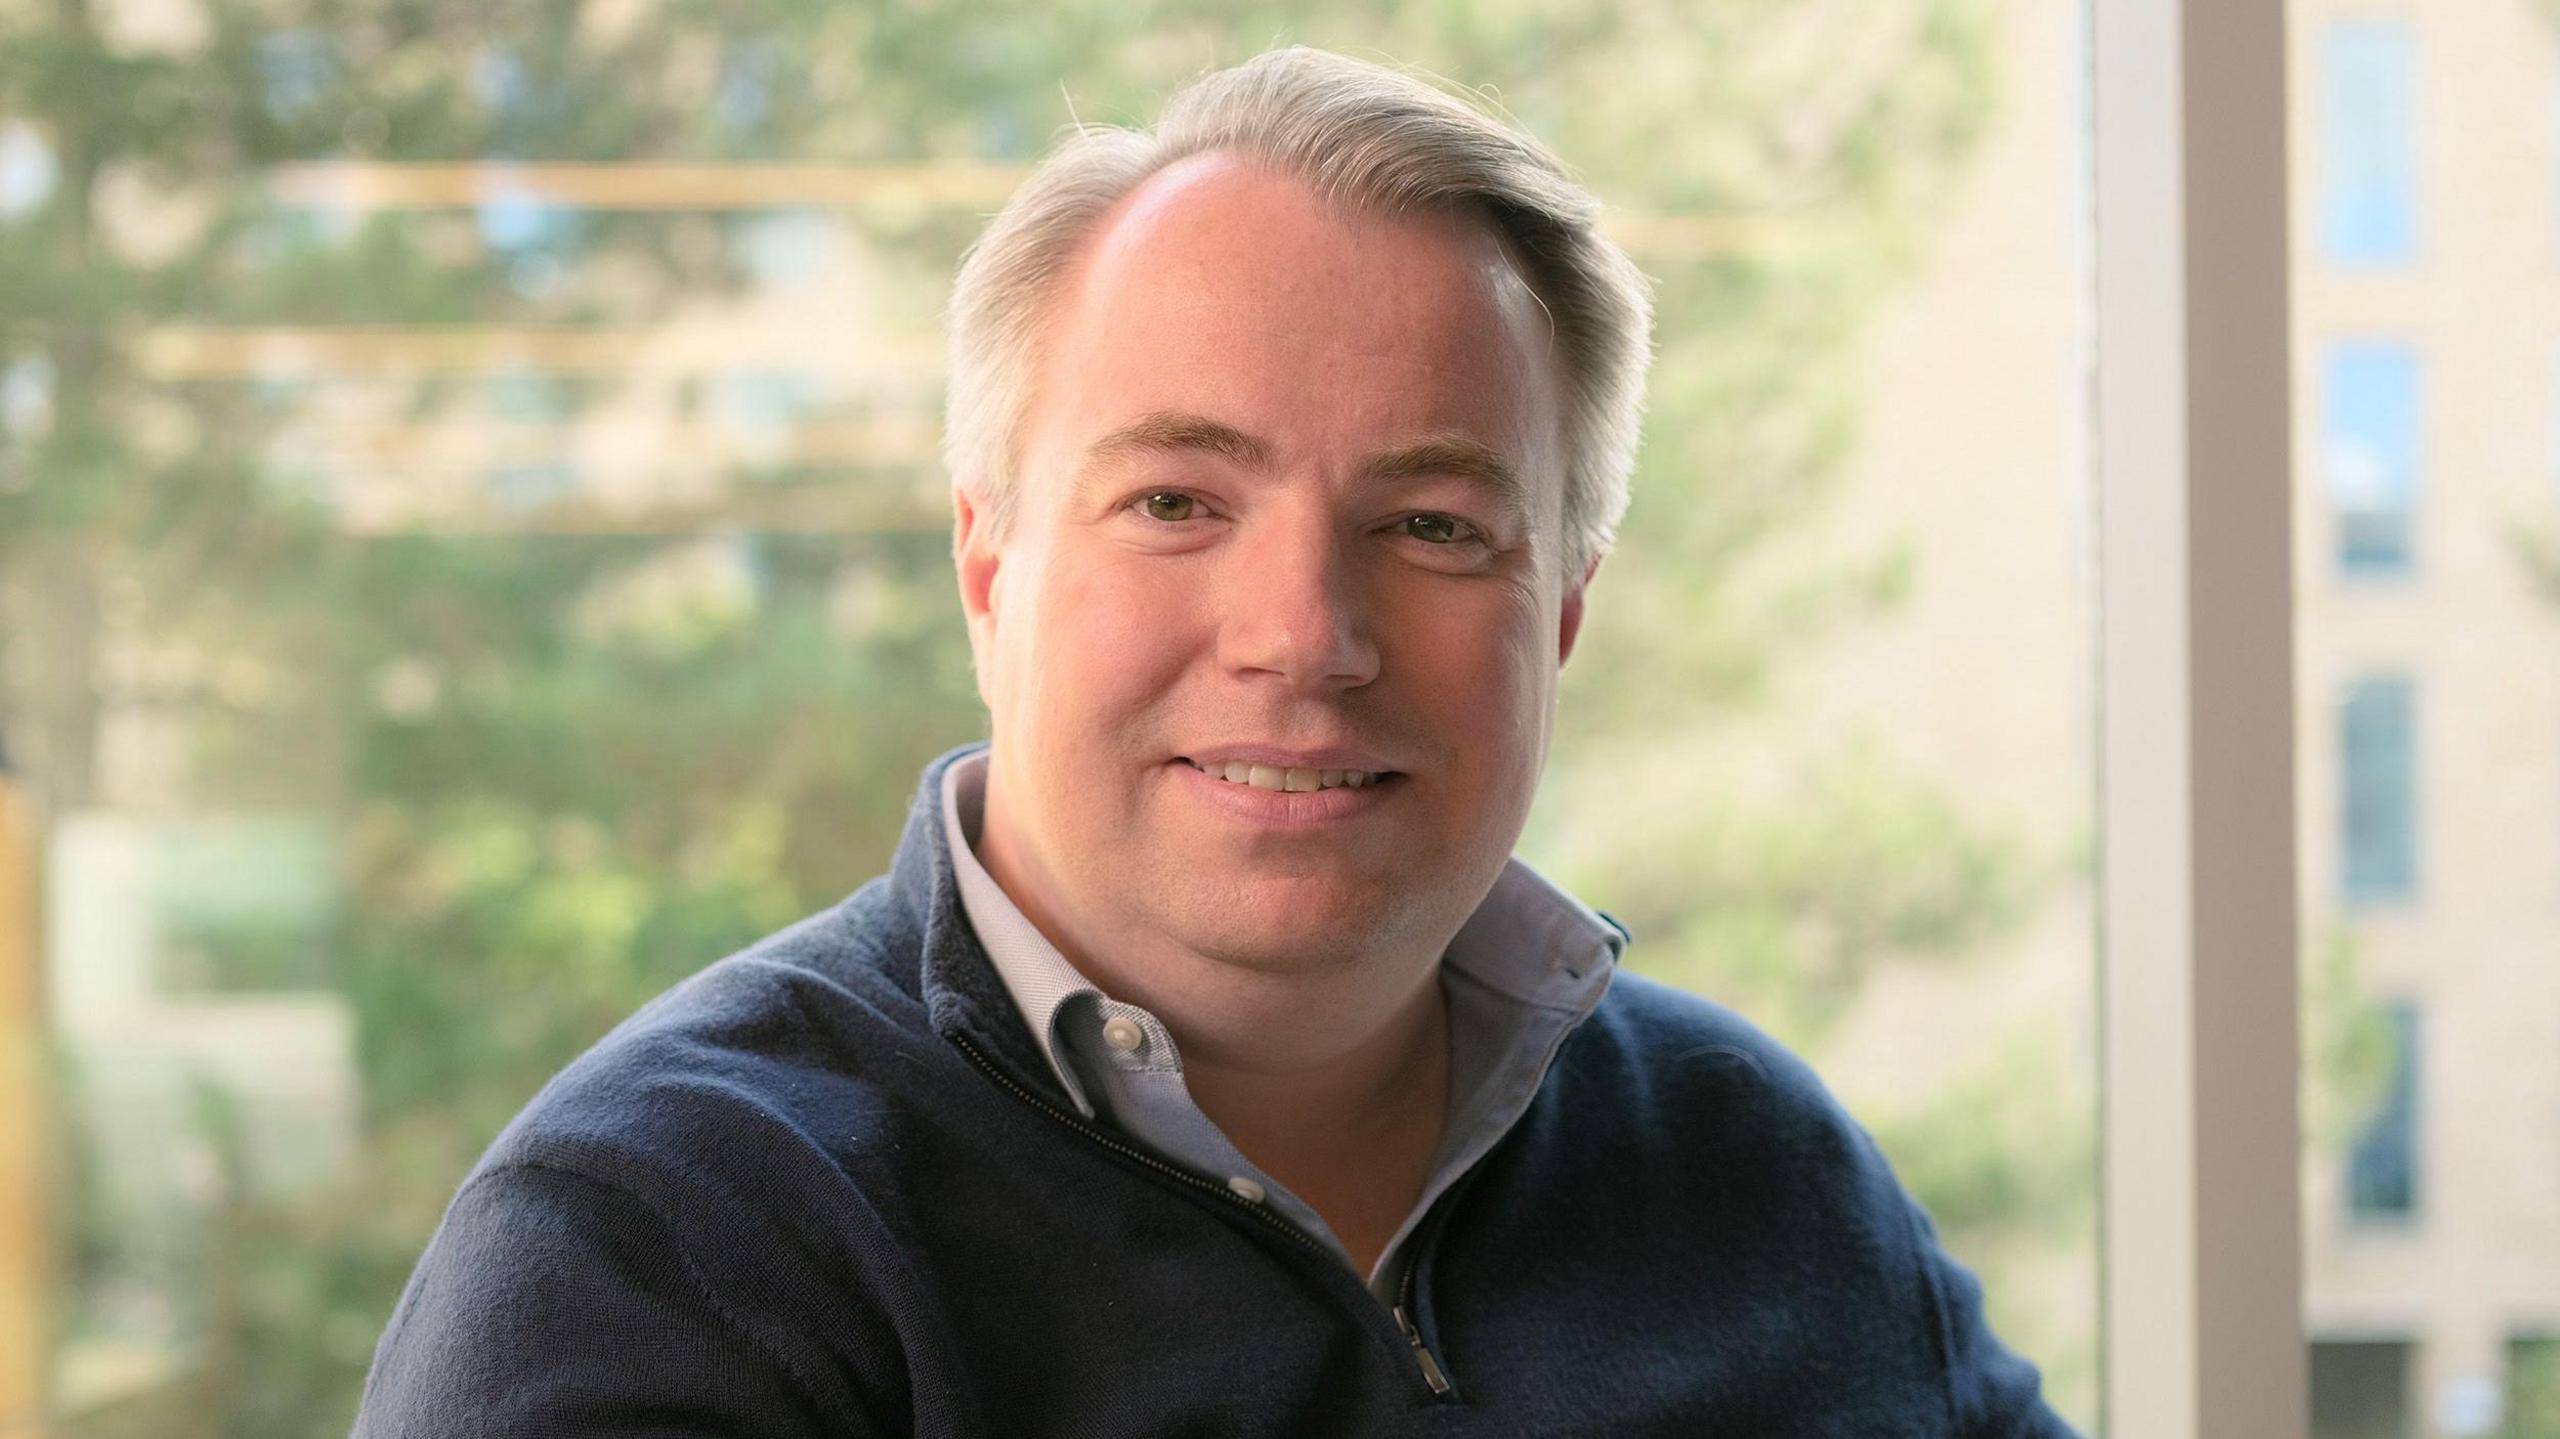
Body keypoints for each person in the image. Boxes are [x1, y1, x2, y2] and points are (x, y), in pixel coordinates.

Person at [354, 45, 2076, 1437]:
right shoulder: (671, 1248)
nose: (1304, 638)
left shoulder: (1753, 1171)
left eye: (1434, 525)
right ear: (990, 562)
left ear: (1561, 613)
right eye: (1177, 500)